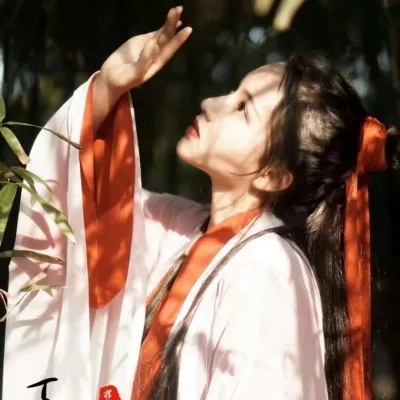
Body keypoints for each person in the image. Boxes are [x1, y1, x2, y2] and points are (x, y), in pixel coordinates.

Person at [2, 6, 398, 400]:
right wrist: (108, 86)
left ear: (274, 176)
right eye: (233, 92)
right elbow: (84, 209)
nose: (211, 103)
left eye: (242, 109)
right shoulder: (182, 227)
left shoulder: (269, 271)